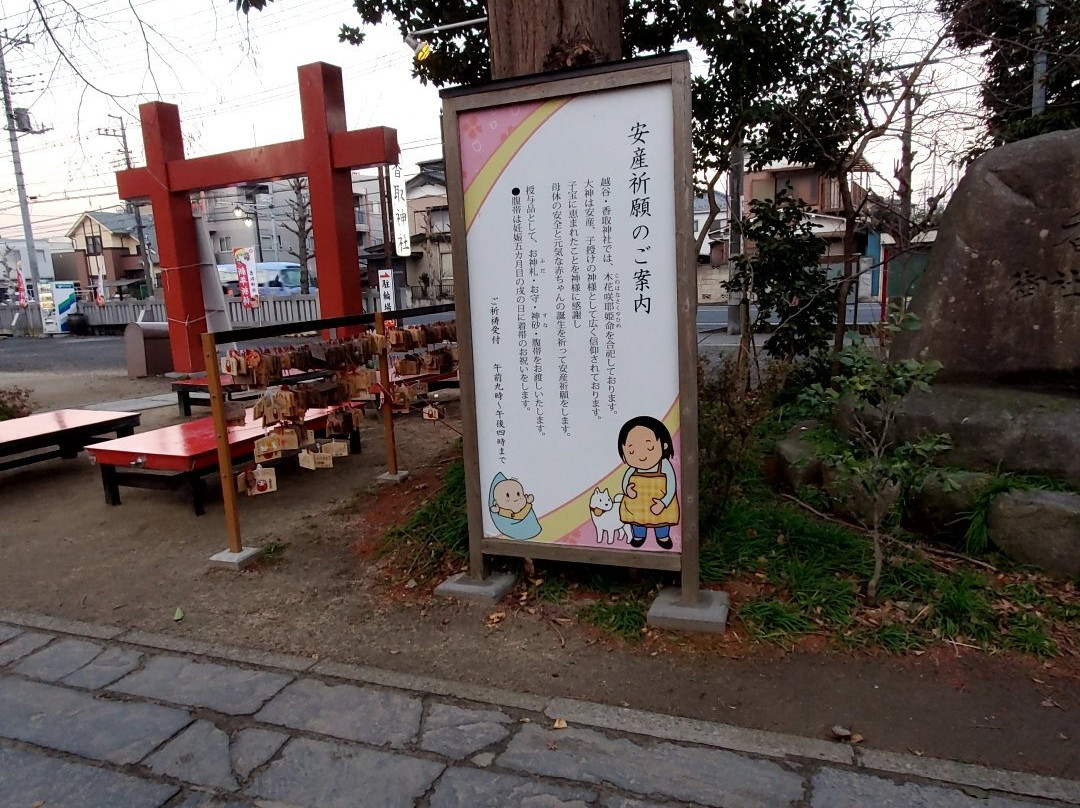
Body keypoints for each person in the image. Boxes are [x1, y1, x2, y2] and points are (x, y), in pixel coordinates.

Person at [617, 415, 679, 549]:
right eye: (631, 451)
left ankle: (662, 537)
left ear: (664, 445)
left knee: (662, 521)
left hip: (659, 500)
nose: (641, 455)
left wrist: (664, 502)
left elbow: (671, 484)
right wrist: (627, 490)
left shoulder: (664, 465)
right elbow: (625, 481)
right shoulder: (632, 468)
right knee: (636, 520)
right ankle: (638, 536)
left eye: (649, 448)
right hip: (637, 502)